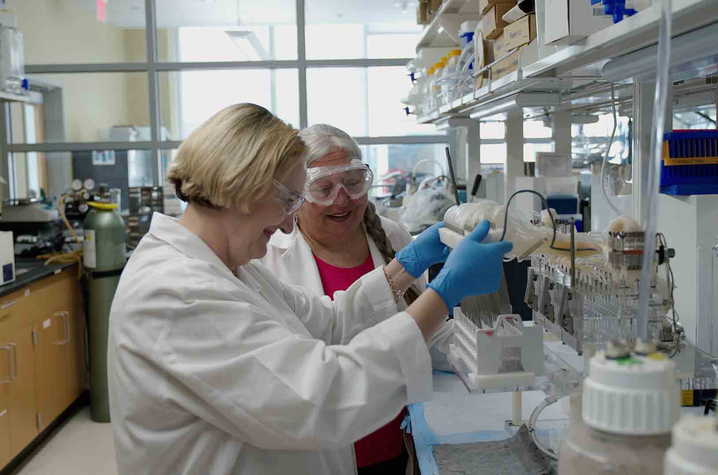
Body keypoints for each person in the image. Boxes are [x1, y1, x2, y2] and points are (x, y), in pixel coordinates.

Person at [107, 103, 512, 475]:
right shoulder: (177, 294)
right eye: (288, 200)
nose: (288, 223)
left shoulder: (231, 268)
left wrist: (405, 267)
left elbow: (332, 322)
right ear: (240, 186)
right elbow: (324, 398)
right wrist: (442, 295)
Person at [261, 124, 454, 473]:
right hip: (322, 448)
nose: (342, 199)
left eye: (353, 183)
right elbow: (320, 346)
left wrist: (490, 351)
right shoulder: (267, 257)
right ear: (297, 195)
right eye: (323, 188)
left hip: (395, 434)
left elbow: (426, 330)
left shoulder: (391, 235)